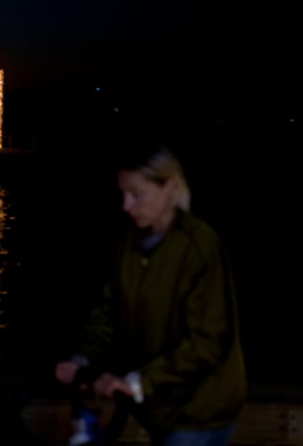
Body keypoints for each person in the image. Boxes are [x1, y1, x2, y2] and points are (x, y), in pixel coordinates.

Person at [53, 142, 247, 446]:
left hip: (199, 411)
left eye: (137, 195)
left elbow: (209, 341)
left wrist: (141, 383)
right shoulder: (130, 246)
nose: (126, 206)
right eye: (123, 194)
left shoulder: (199, 247)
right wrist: (82, 360)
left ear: (169, 188)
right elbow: (109, 313)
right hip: (159, 408)